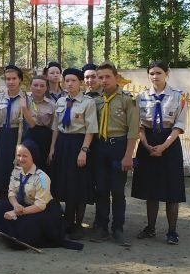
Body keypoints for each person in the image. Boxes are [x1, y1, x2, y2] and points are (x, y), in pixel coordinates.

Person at [0, 141, 82, 250]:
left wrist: (16, 212)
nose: (20, 159)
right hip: (23, 205)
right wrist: (15, 205)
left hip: (42, 212)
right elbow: (11, 192)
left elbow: (40, 206)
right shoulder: (16, 171)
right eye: (18, 155)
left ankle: (14, 234)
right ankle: (7, 230)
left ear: (33, 157)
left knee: (20, 234)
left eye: (25, 156)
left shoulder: (42, 177)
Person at [132, 60, 186, 245]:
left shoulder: (178, 96)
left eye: (158, 73)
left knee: (172, 190)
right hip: (148, 142)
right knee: (150, 189)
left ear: (166, 74)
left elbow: (179, 125)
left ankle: (172, 231)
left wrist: (163, 146)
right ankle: (150, 228)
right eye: (152, 73)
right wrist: (147, 146)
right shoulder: (141, 97)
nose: (155, 76)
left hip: (169, 144)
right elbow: (138, 124)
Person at [90, 62, 139, 245]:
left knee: (117, 190)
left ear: (116, 77)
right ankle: (101, 227)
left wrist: (128, 155)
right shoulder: (95, 100)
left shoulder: (127, 100)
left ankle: (118, 228)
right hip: (100, 148)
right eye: (100, 77)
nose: (103, 80)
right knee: (101, 189)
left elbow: (133, 130)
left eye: (107, 76)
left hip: (119, 147)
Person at [48, 68, 98, 240]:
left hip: (79, 144)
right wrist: (53, 148)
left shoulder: (87, 102)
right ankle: (68, 222)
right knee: (65, 182)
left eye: (73, 81)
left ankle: (78, 224)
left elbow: (91, 129)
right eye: (67, 81)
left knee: (79, 184)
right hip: (62, 144)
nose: (69, 84)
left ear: (80, 83)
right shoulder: (61, 101)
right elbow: (55, 126)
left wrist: (83, 151)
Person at [0, 65, 24, 200]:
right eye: (7, 79)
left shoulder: (26, 98)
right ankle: (1, 210)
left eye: (14, 78)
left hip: (18, 137)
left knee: (17, 174)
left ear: (20, 79)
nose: (10, 82)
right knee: (2, 176)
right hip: (2, 137)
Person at [20, 75, 55, 174]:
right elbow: (30, 125)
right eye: (35, 85)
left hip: (44, 139)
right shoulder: (24, 99)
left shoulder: (51, 104)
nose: (38, 88)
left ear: (46, 87)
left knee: (42, 170)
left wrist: (52, 148)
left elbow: (53, 128)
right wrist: (23, 106)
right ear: (30, 86)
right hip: (28, 136)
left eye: (42, 86)